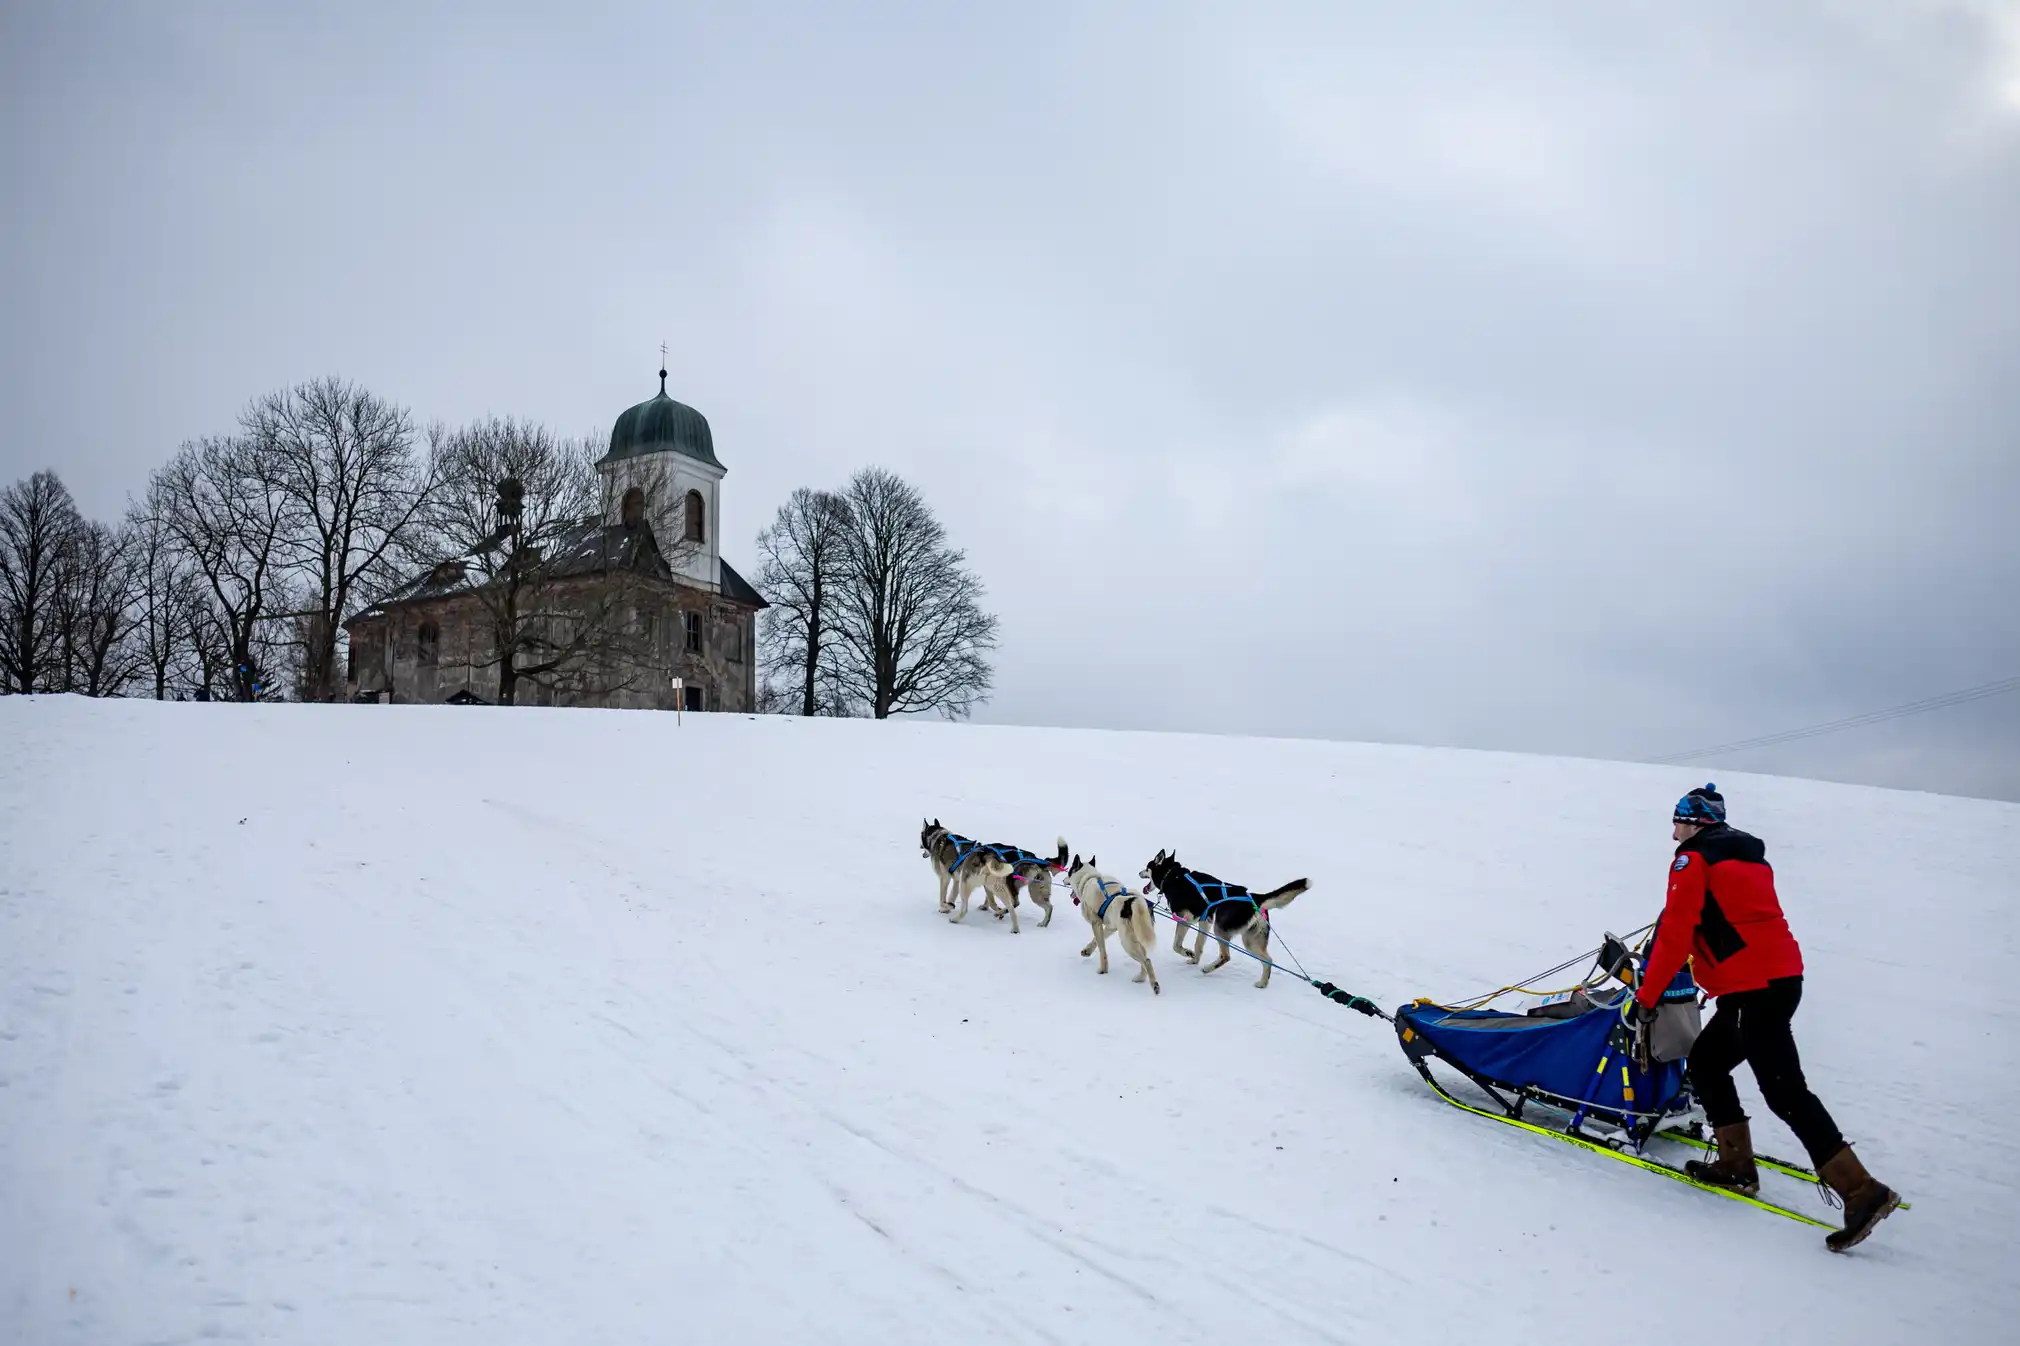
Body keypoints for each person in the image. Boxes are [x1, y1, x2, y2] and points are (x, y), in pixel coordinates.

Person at [1635, 784, 1900, 1251]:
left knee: (1783, 1089)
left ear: (1694, 823)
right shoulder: (1749, 856)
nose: (1673, 831)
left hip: (1751, 989)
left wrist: (1648, 994)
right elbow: (1729, 921)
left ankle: (1861, 1190)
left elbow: (1677, 932)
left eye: (1677, 821)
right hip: (1777, 978)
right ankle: (1735, 1166)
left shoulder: (1692, 859)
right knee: (1708, 1064)